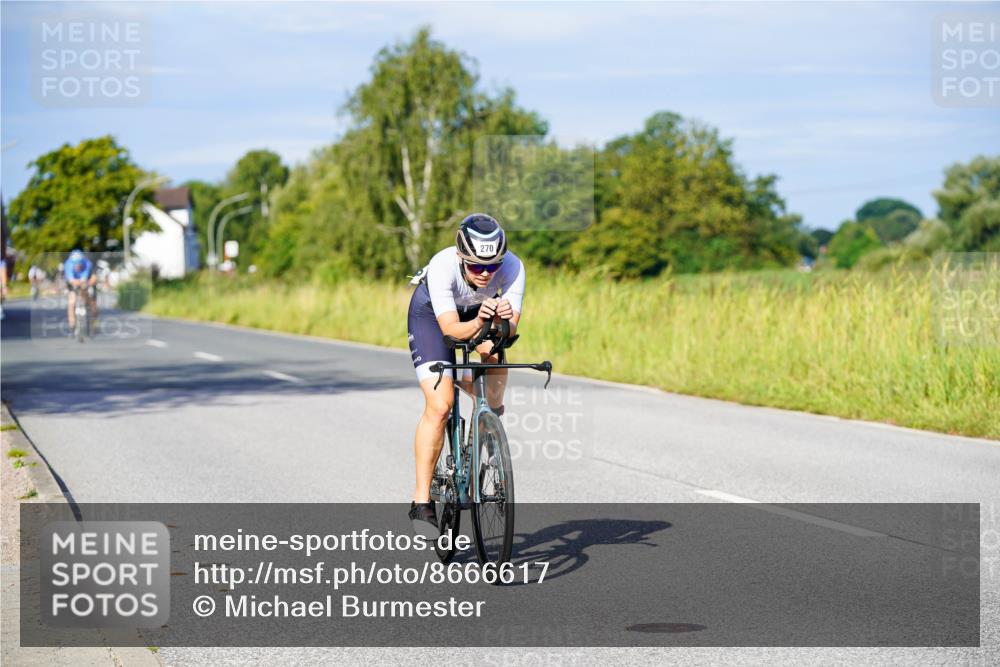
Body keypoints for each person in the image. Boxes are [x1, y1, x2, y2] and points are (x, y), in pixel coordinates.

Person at [406, 214, 525, 536]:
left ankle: (485, 423)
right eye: (476, 267)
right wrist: (479, 322)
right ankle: (421, 501)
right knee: (441, 405)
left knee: (495, 380)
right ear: (461, 257)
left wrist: (502, 322)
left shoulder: (513, 266)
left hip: (479, 313)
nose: (486, 273)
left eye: (493, 266)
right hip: (434, 316)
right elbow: (451, 330)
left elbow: (510, 328)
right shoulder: (443, 265)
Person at [64, 249, 97, 334]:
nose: (78, 267)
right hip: (72, 282)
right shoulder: (68, 265)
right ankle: (72, 324)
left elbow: (86, 280)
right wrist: (79, 283)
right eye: (76, 265)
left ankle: (91, 318)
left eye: (79, 265)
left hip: (84, 281)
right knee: (72, 302)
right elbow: (72, 281)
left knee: (89, 297)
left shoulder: (87, 264)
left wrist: (86, 284)